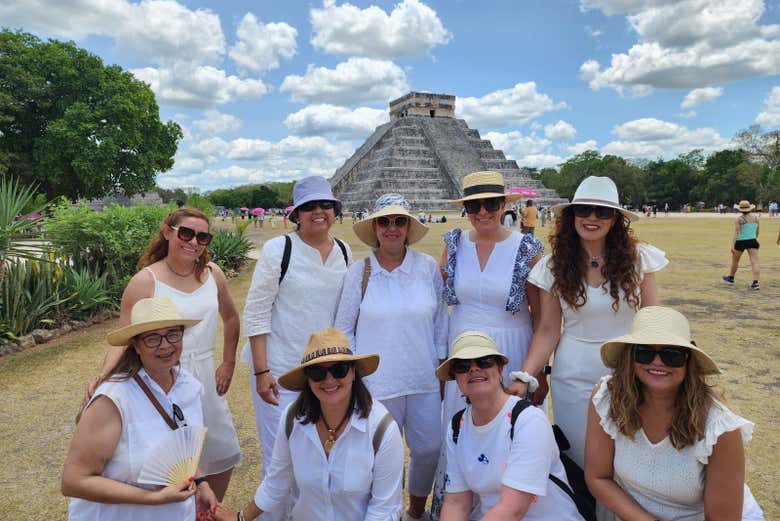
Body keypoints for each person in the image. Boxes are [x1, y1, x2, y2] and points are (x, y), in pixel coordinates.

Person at [516, 176, 668, 471]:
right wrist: (526, 375)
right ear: (572, 215)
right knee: (579, 458)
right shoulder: (553, 266)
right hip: (572, 375)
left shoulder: (639, 260)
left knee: (626, 460)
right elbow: (548, 329)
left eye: (603, 212)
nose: (592, 218)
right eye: (584, 209)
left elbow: (655, 320)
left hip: (628, 371)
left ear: (615, 220)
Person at [88, 208, 241, 500]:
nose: (193, 242)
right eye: (186, 233)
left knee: (221, 451)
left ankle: (206, 513)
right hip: (163, 376)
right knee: (170, 457)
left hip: (206, 375)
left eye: (202, 236)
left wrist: (229, 362)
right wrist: (104, 378)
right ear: (167, 232)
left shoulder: (213, 274)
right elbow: (125, 338)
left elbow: (231, 318)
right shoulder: (146, 281)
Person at [432, 171, 545, 517]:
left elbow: (542, 319)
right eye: (473, 205)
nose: (482, 212)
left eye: (491, 204)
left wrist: (533, 372)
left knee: (509, 434)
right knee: (459, 430)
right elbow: (436, 302)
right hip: (463, 354)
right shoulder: (453, 243)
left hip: (511, 350)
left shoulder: (527, 248)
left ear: (503, 206)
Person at [586, 306, 765, 521]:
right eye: (645, 352)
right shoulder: (607, 398)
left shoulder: (720, 429)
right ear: (630, 358)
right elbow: (598, 477)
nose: (658, 362)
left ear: (689, 362)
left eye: (672, 355)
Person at [241, 175, 352, 520]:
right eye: (309, 207)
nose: (318, 212)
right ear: (297, 214)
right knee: (280, 460)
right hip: (280, 369)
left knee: (317, 456)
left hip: (325, 372)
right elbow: (257, 311)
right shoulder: (280, 249)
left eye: (325, 205)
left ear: (335, 210)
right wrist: (261, 371)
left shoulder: (344, 251)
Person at [335, 194, 448, 521]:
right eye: (384, 221)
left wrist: (441, 367)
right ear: (375, 227)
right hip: (378, 382)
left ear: (409, 227)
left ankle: (415, 510)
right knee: (383, 456)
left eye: (399, 221)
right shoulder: (360, 272)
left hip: (423, 377)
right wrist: (358, 374)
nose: (392, 228)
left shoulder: (426, 267)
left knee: (428, 450)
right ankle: (387, 513)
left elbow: (441, 320)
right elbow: (344, 328)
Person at [215, 328, 404, 521]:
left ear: (353, 373)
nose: (329, 379)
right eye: (317, 372)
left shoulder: (382, 428)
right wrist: (241, 518)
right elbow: (276, 483)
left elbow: (383, 510)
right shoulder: (291, 419)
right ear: (307, 379)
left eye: (339, 369)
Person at [64, 297, 218, 520]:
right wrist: (153, 498)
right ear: (135, 345)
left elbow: (183, 446)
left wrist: (201, 483)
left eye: (173, 334)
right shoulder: (113, 399)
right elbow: (73, 481)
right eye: (153, 338)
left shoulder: (189, 387)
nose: (165, 345)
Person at [437, 331, 584, 521]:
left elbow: (513, 510)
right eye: (463, 366)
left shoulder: (528, 421)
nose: (473, 369)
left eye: (484, 361)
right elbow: (456, 504)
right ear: (455, 378)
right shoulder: (457, 427)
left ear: (500, 370)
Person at [722, 200, 761, 290]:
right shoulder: (756, 218)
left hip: (740, 241)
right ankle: (755, 283)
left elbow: (737, 232)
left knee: (735, 261)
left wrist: (733, 245)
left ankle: (731, 278)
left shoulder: (739, 219)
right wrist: (753, 238)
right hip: (752, 240)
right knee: (754, 262)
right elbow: (757, 232)